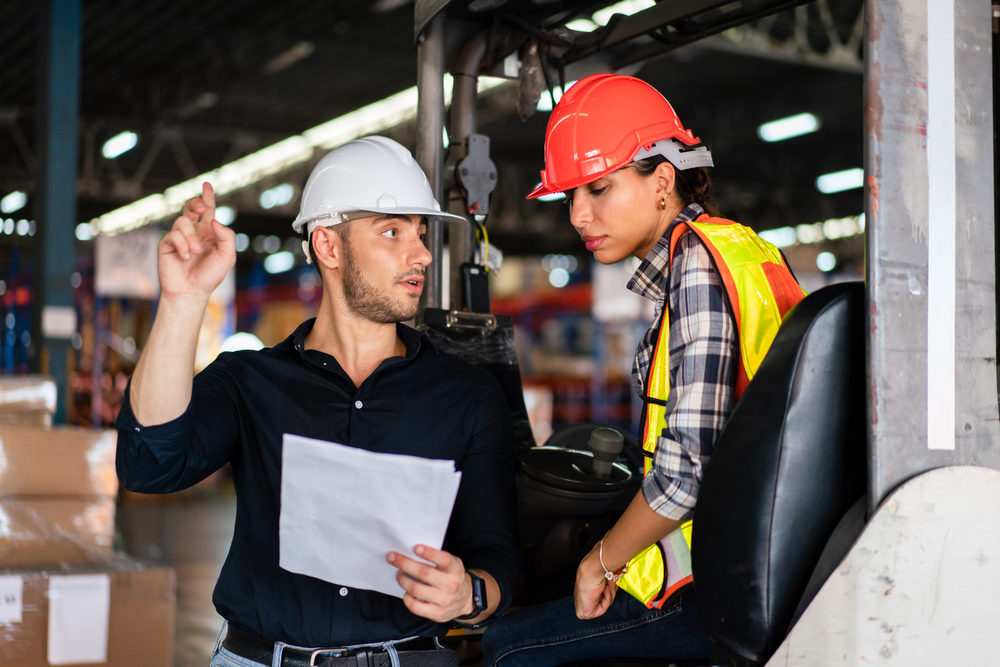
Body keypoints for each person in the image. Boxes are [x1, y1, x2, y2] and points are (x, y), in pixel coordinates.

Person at [115, 136, 522, 667]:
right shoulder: (249, 381)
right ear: (328, 247)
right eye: (392, 231)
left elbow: (500, 558)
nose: (421, 254)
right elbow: (148, 465)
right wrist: (182, 300)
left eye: (421, 234)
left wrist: (468, 594)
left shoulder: (466, 395)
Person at [482, 74, 805, 666]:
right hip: (759, 551)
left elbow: (684, 475)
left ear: (661, 180)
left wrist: (597, 561)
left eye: (598, 189)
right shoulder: (741, 248)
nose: (578, 215)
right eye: (570, 196)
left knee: (505, 647)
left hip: (712, 583)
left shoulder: (698, 273)